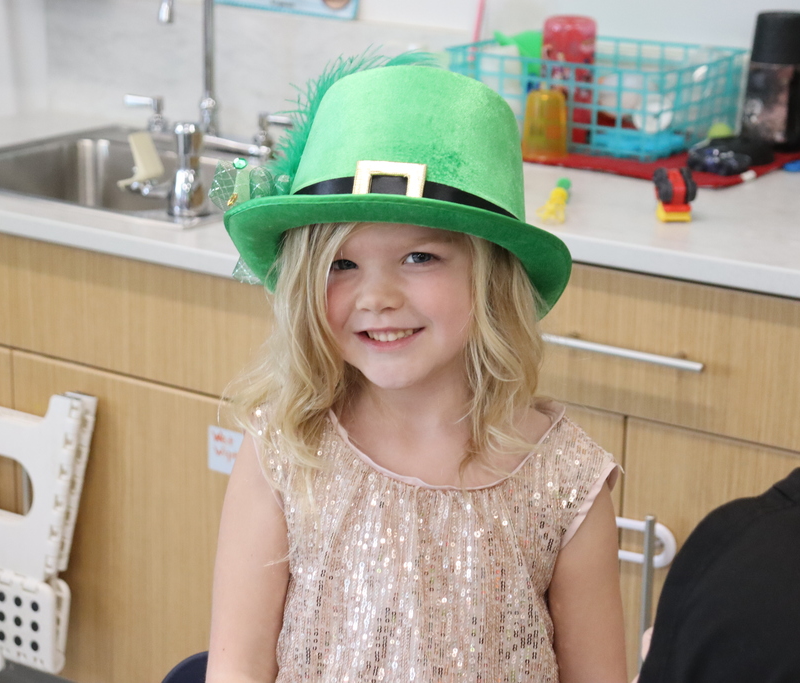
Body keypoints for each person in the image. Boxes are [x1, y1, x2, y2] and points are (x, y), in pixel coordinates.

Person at [207, 52, 626, 683]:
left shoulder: (567, 482)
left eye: (419, 257)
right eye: (342, 264)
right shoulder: (285, 451)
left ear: (491, 278)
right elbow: (235, 670)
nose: (377, 297)